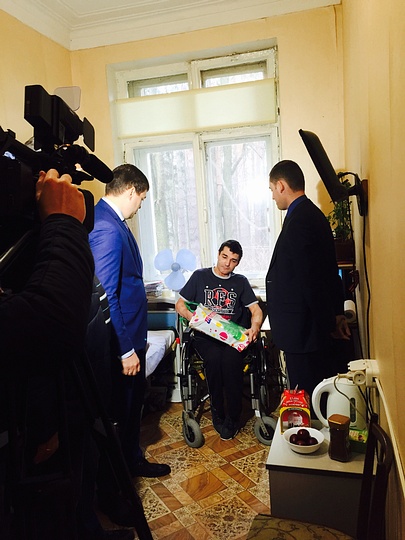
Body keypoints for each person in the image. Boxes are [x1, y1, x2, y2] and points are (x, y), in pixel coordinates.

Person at [0, 170, 133, 539]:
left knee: (86, 452)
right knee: (74, 459)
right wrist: (61, 225)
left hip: (83, 371)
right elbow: (47, 323)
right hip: (68, 384)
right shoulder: (105, 230)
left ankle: (89, 525)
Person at [89, 163, 170, 478]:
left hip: (133, 334)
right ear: (131, 190)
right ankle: (124, 472)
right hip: (121, 342)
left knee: (132, 406)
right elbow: (106, 294)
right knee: (123, 409)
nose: (139, 207)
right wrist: (125, 350)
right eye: (142, 199)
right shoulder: (107, 227)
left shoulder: (112, 221)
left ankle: (129, 461)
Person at [265, 159, 351, 400]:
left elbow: (311, 279)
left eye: (272, 189)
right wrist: (335, 314)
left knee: (308, 395)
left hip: (304, 332)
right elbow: (327, 271)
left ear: (281, 185)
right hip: (305, 329)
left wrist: (329, 323)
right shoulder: (307, 215)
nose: (273, 196)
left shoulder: (301, 220)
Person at [175, 239, 263, 441]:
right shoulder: (200, 276)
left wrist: (255, 327)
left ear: (237, 263)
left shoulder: (240, 282)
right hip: (205, 337)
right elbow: (180, 304)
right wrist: (193, 318)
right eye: (224, 257)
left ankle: (233, 416)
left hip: (232, 337)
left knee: (231, 361)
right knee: (214, 360)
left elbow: (256, 310)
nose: (227, 263)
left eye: (233, 260)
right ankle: (217, 411)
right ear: (218, 254)